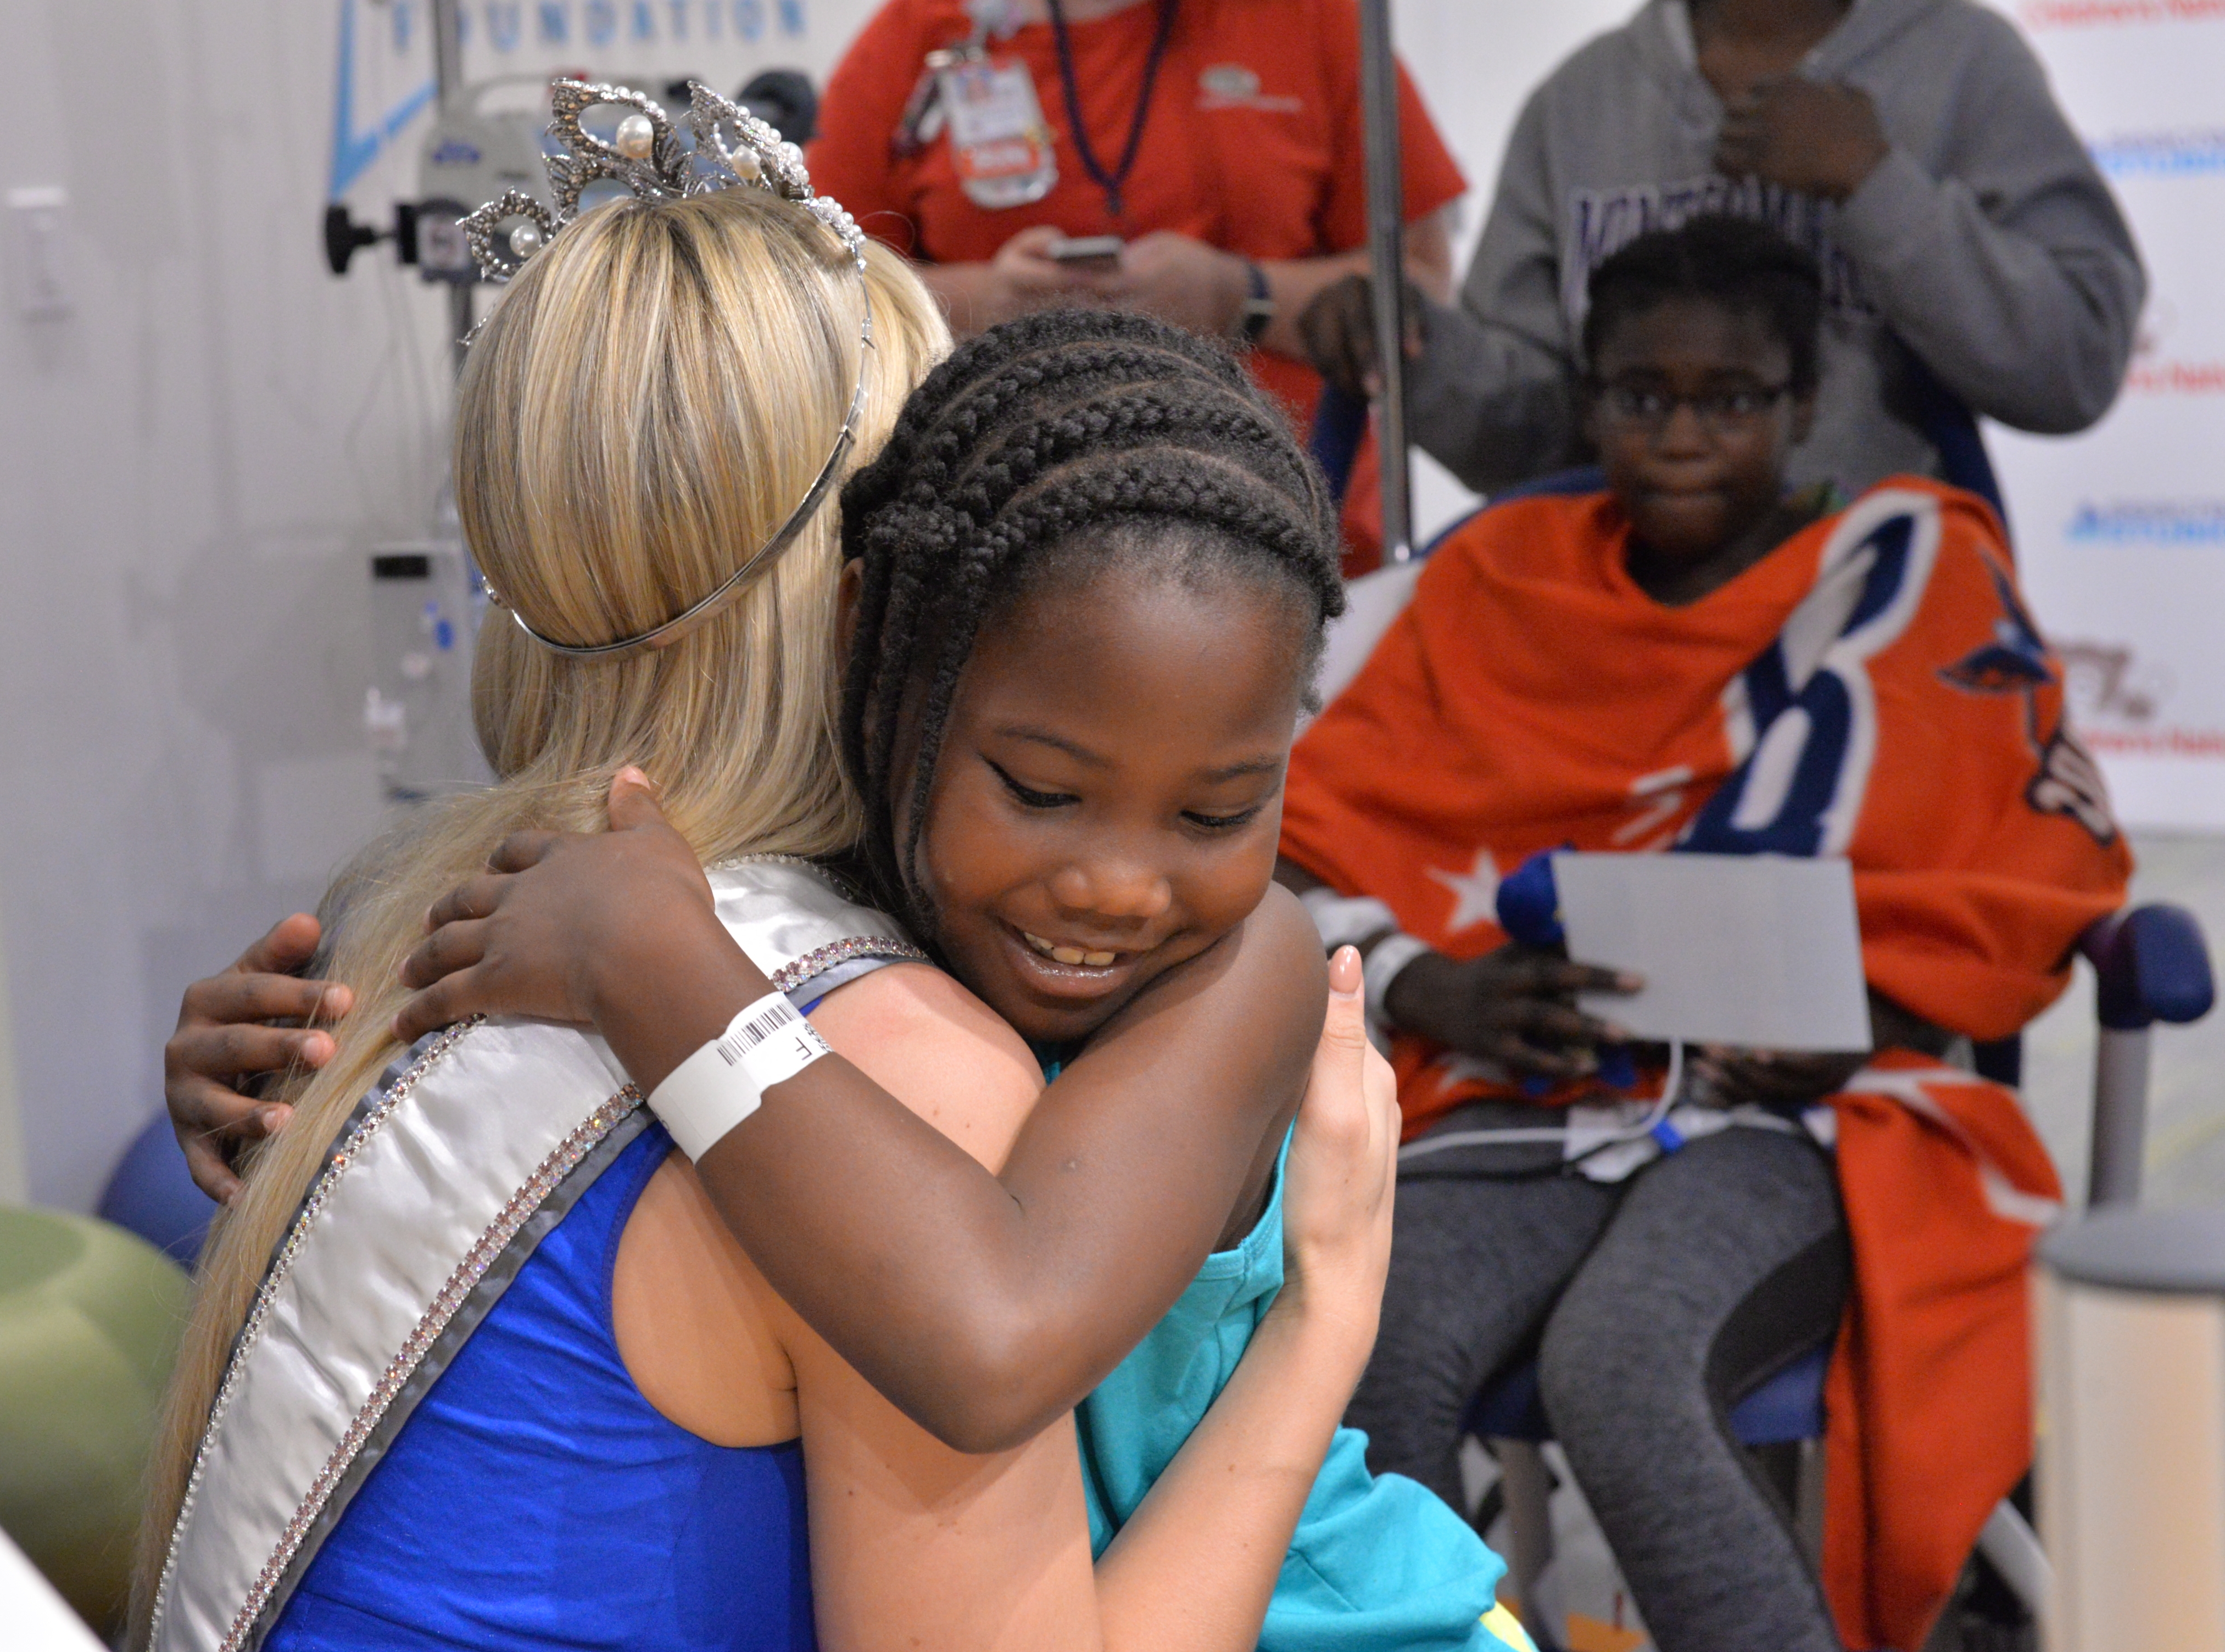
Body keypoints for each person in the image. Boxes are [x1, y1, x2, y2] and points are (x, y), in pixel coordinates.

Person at [144, 87, 1525, 1648]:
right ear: (882, 614)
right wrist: (1320, 1322)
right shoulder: (807, 1006)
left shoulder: (469, 924)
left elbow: (992, 1331)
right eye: (1042, 780)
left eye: (1213, 811)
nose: (1118, 883)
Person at [1277, 215, 2130, 1652]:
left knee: (1623, 1368)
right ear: (1590, 396)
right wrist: (1431, 985)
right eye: (1639, 395)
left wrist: (1868, 1012)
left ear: (1801, 408)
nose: (1679, 433)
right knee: (1364, 1342)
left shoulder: (1910, 574)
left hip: (1813, 1110)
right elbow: (1305, 823)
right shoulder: (1501, 579)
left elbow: (2010, 862)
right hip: (1532, 1088)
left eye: (1728, 399)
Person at [1301, 0, 2143, 527]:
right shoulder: (1582, 99)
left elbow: (2073, 364)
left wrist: (1875, 185)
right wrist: (1415, 351)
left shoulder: (1964, 64)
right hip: (1629, 643)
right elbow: (1538, 439)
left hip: (1880, 628)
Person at [807, 0, 1464, 570]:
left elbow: (1424, 287)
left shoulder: (1310, 20)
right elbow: (815, 295)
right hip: (996, 547)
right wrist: (988, 305)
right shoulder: (919, 36)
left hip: (1298, 532)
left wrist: (1238, 296)